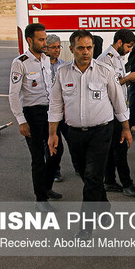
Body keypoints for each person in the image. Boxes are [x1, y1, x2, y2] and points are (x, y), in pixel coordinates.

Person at [47, 29, 132, 239]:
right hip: (74, 133)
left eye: (89, 48)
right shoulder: (63, 73)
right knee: (85, 174)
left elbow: (118, 101)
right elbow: (56, 105)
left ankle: (85, 226)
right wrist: (53, 134)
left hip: (101, 131)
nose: (86, 52)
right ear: (72, 49)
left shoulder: (104, 71)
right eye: (81, 48)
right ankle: (102, 204)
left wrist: (126, 128)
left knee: (94, 175)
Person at [9, 23, 62, 211]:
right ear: (30, 40)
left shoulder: (46, 59)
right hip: (32, 114)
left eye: (45, 39)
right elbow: (13, 95)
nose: (44, 43)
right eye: (41, 39)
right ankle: (40, 199)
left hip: (50, 112)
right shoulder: (21, 62)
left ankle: (46, 187)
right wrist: (21, 121)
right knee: (38, 158)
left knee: (57, 151)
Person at [97, 29, 135, 197]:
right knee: (120, 148)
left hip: (118, 108)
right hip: (111, 110)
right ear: (119, 43)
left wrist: (128, 81)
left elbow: (118, 83)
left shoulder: (117, 58)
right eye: (128, 46)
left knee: (111, 149)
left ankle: (109, 180)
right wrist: (127, 79)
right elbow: (109, 86)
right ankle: (127, 183)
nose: (130, 50)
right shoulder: (105, 60)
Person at [45, 33, 79, 180]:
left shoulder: (64, 65)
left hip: (66, 111)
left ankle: (79, 167)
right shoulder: (42, 65)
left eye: (59, 47)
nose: (57, 50)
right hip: (50, 111)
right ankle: (54, 171)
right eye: (53, 47)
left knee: (74, 141)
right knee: (54, 144)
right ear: (46, 48)